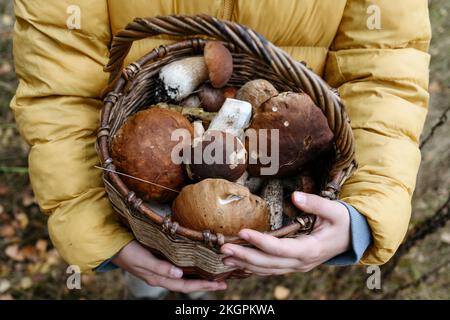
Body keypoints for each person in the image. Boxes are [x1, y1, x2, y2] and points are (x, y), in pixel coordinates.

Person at [11, 0, 431, 298]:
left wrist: (361, 209)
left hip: (272, 208)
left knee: (222, 265)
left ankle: (195, 293)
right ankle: (147, 288)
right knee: (153, 271)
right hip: (128, 209)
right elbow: (56, 81)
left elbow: (385, 67)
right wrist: (93, 224)